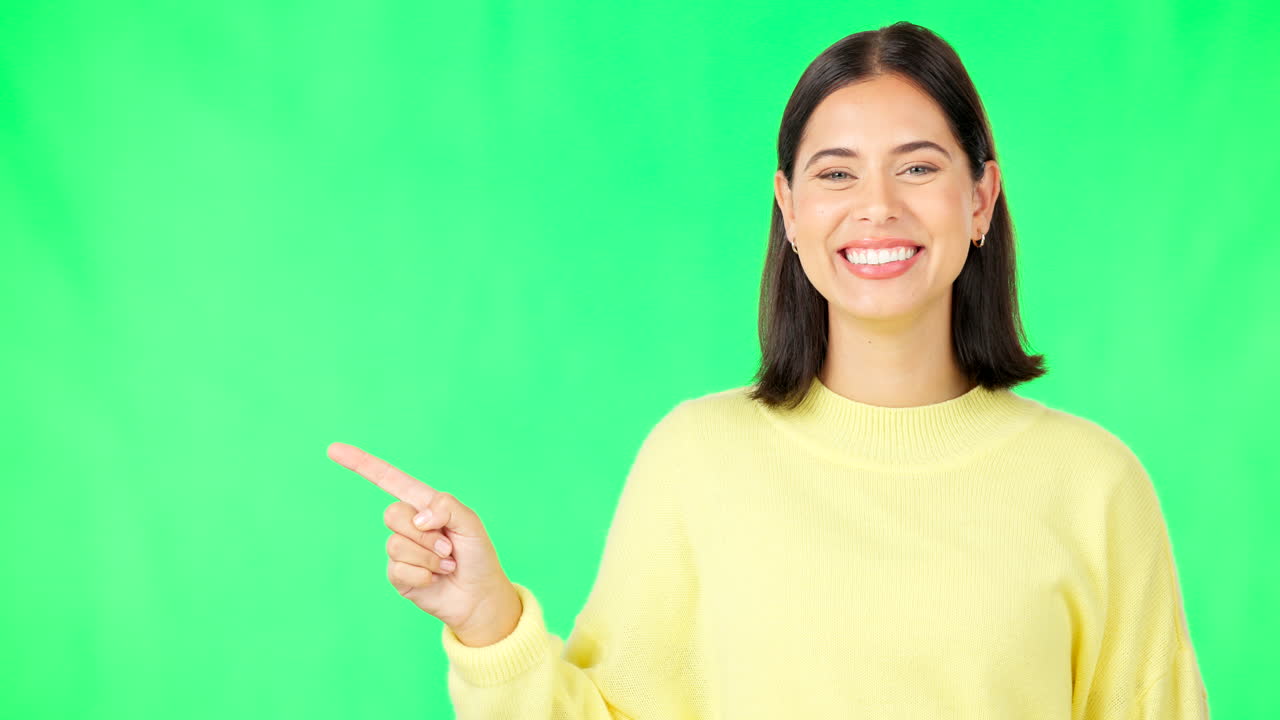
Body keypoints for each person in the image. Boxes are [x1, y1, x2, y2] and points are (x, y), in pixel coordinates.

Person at [328, 20, 1210, 719]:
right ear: (788, 207)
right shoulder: (698, 460)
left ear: (980, 197)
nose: (877, 208)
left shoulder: (1093, 484)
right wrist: (489, 623)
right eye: (835, 173)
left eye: (918, 167)